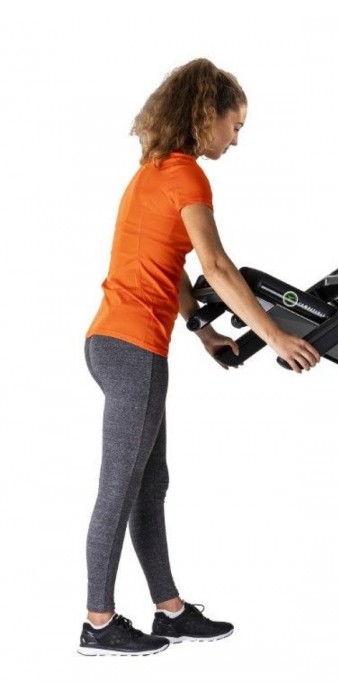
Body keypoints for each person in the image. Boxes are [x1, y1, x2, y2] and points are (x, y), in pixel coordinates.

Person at [79, 58, 321, 657]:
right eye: (235, 126)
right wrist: (275, 337)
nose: (235, 140)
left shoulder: (154, 172)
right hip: (132, 348)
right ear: (207, 115)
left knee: (147, 485)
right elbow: (217, 265)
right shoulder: (187, 175)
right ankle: (98, 624)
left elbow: (173, 265)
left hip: (116, 342)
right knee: (121, 486)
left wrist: (200, 329)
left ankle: (169, 610)